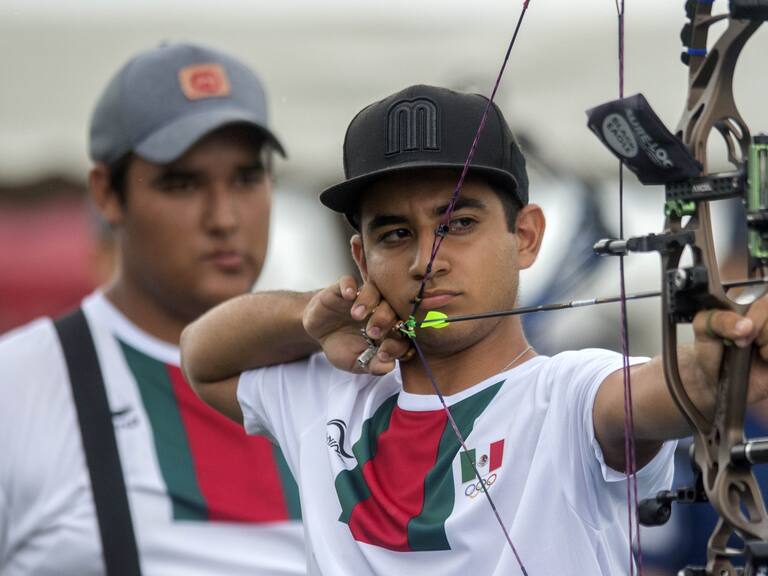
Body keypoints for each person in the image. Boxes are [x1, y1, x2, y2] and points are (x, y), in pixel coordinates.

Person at [180, 84, 768, 575]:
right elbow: (201, 355)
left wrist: (723, 362)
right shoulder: (330, 393)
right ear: (362, 260)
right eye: (394, 235)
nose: (426, 259)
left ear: (527, 237)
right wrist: (310, 316)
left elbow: (676, 387)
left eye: (458, 223)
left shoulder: (572, 396)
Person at [0, 43, 306, 575]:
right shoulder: (17, 385)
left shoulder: (342, 385)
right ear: (106, 193)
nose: (224, 217)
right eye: (182, 183)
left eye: (246, 178)